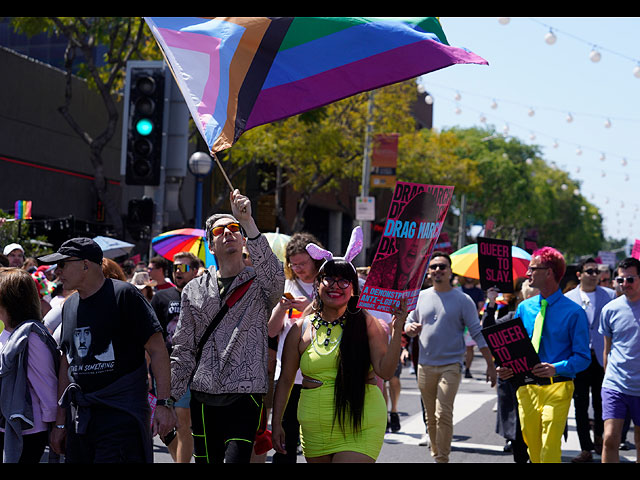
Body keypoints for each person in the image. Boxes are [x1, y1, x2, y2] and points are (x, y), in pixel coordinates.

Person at [271, 226, 408, 463]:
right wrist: (276, 424)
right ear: (318, 284)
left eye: (344, 280)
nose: (336, 286)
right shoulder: (301, 328)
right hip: (315, 424)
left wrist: (397, 331)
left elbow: (385, 372)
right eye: (329, 279)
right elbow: (285, 381)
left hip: (361, 420)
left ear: (354, 287)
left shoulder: (367, 323)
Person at [170, 189, 284, 463]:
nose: (228, 233)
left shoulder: (259, 284)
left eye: (234, 229)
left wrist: (248, 222)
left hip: (245, 393)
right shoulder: (194, 289)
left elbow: (276, 276)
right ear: (211, 246)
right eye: (220, 231)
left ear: (243, 239)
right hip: (203, 394)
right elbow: (183, 347)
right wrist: (168, 399)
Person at [39, 237, 175, 463]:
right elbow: (67, 362)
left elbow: (158, 349)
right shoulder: (69, 305)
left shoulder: (125, 295)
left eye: (63, 264)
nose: (57, 271)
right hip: (81, 420)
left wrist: (164, 403)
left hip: (120, 417)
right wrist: (61, 422)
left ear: (85, 264)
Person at [497, 246, 591, 463]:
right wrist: (506, 367)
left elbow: (583, 357)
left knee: (549, 449)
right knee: (534, 449)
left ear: (548, 272)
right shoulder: (524, 308)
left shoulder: (574, 312)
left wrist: (556, 367)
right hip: (526, 387)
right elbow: (515, 349)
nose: (527, 273)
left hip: (557, 387)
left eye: (532, 268)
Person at [405, 251, 497, 463]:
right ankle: (436, 450)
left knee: (443, 412)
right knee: (430, 417)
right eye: (434, 267)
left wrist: (490, 364)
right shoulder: (420, 297)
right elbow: (409, 322)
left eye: (442, 267)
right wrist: (410, 328)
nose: (438, 270)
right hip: (425, 366)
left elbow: (476, 331)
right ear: (429, 272)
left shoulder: (463, 300)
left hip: (451, 365)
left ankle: (442, 459)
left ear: (450, 271)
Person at [267, 232, 324, 463]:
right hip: (288, 376)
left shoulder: (328, 283)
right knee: (284, 442)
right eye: (293, 264)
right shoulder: (286, 284)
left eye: (303, 263)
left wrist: (312, 306)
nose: (298, 268)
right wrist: (281, 308)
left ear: (316, 260)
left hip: (319, 375)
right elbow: (271, 331)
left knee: (318, 442)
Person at [0, 267, 59, 463]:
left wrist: (56, 429)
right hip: (6, 424)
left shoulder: (31, 336)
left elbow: (47, 386)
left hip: (28, 430)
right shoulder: (6, 331)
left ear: (8, 297)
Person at [564, 257, 616, 462]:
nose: (594, 275)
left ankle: (600, 438)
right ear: (579, 275)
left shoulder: (610, 296)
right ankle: (585, 448)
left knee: (602, 402)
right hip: (579, 358)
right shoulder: (568, 298)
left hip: (602, 358)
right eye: (590, 272)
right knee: (580, 403)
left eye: (596, 272)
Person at [150, 251, 199, 463]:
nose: (179, 272)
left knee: (182, 422)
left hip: (190, 370)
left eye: (185, 268)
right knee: (165, 429)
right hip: (165, 370)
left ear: (195, 271)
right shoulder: (161, 298)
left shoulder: (203, 296)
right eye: (176, 267)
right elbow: (152, 336)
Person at [483, 279, 537, 463]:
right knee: (518, 435)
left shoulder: (549, 317)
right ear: (523, 297)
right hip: (515, 383)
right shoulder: (513, 317)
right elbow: (489, 329)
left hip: (540, 382)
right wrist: (491, 302)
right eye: (528, 296)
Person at [598, 257, 640, 463]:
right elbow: (607, 349)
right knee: (609, 439)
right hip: (615, 385)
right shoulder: (610, 310)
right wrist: (609, 378)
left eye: (630, 279)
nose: (625, 284)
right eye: (620, 280)